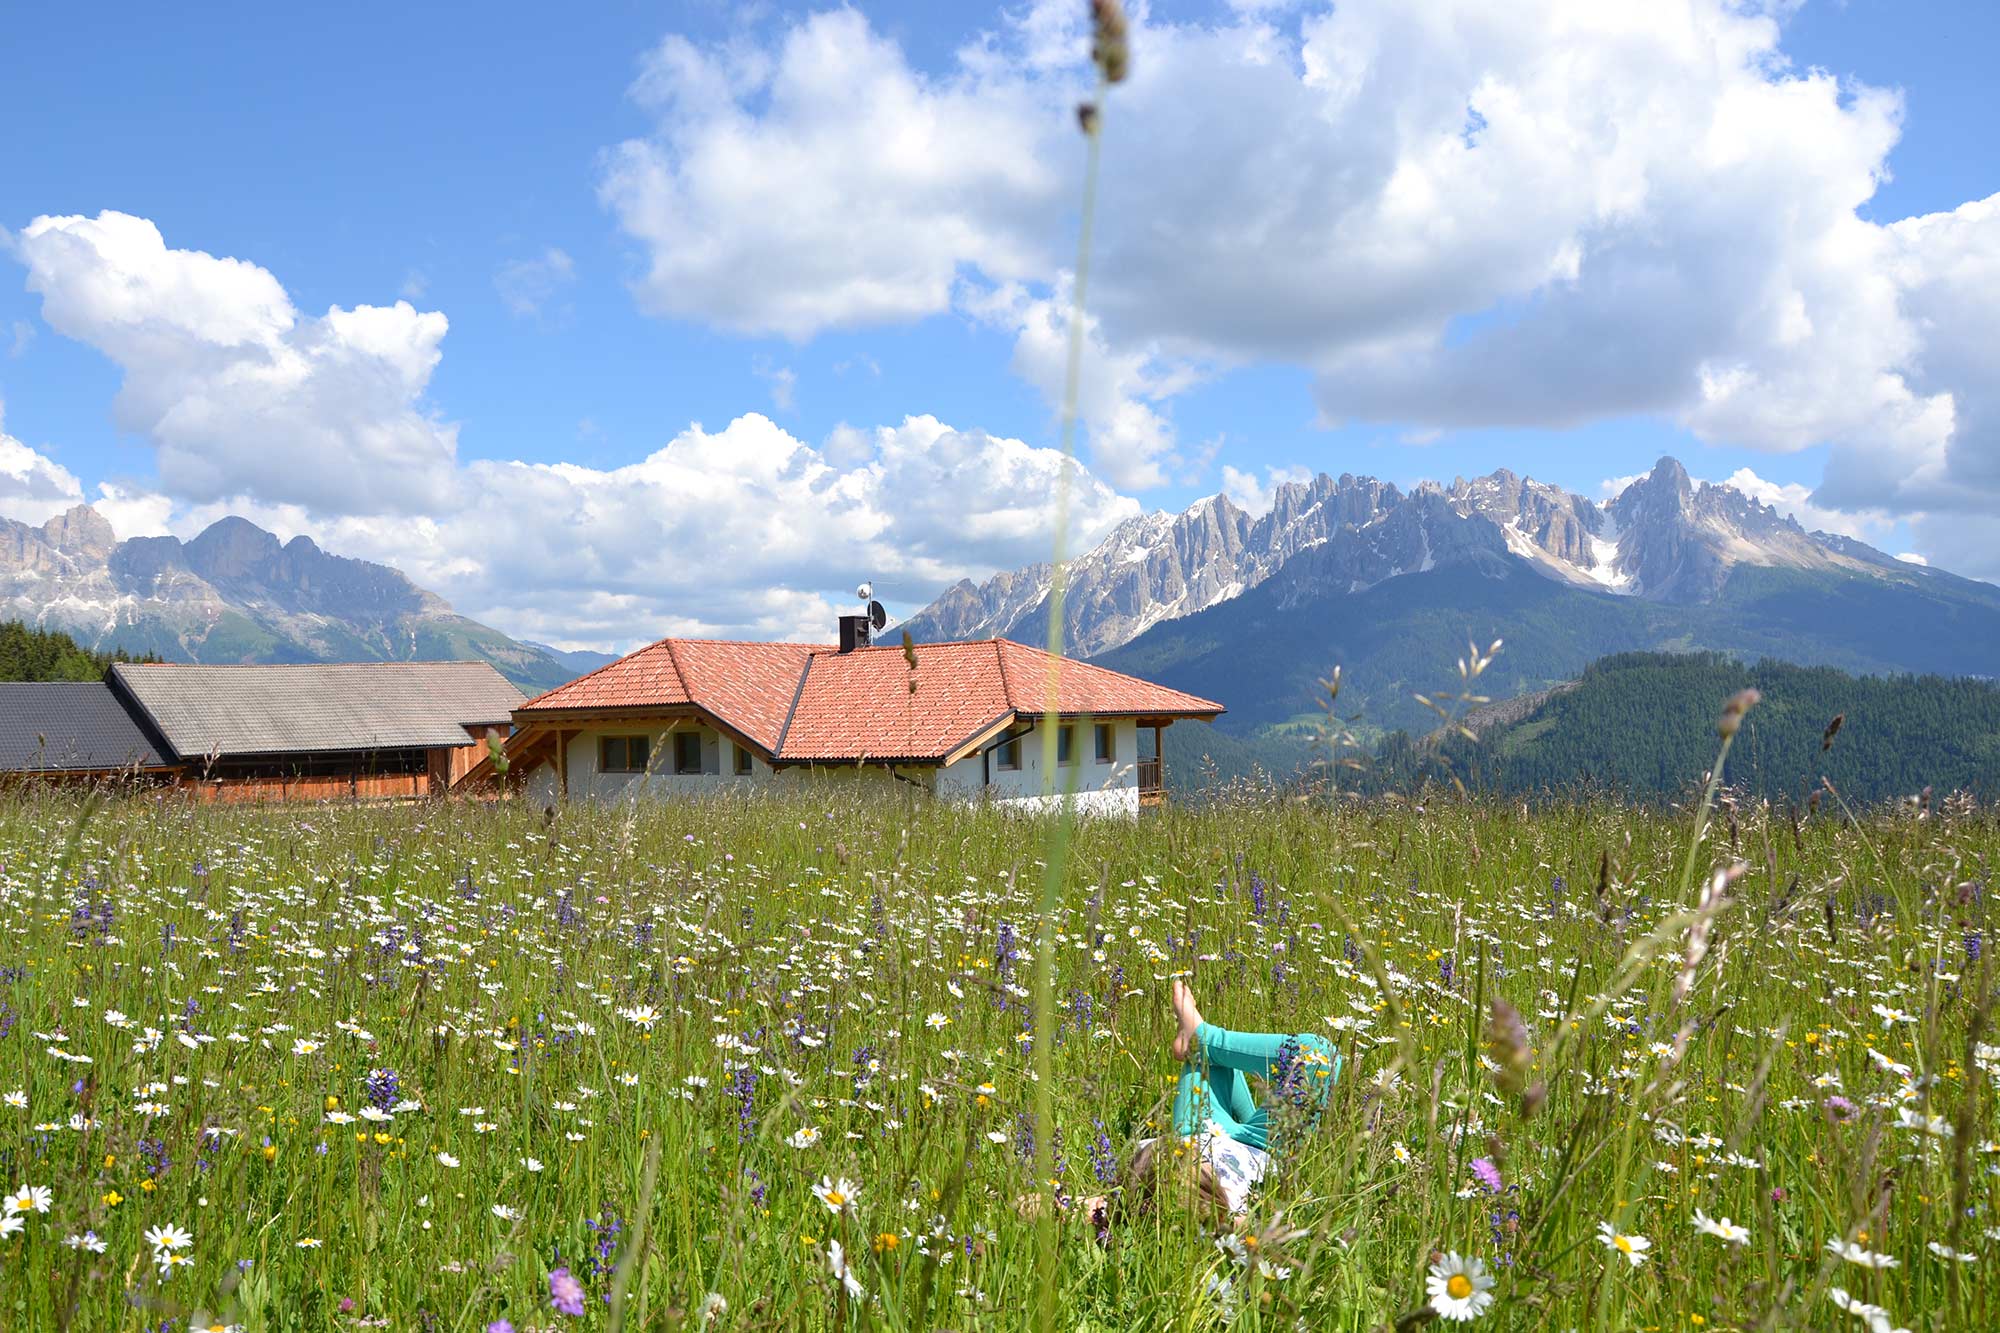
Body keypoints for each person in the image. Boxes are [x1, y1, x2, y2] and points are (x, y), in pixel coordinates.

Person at [1077, 979, 1342, 1227]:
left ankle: (1202, 1041)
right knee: (1320, 1053)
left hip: (1197, 1131)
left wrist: (1086, 1206)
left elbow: (1043, 1204)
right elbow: (1275, 1229)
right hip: (1262, 1146)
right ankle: (1206, 1039)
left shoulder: (1119, 1201)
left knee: (1207, 1060)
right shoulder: (1229, 1216)